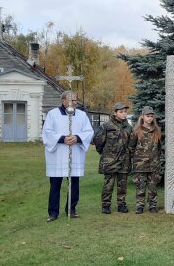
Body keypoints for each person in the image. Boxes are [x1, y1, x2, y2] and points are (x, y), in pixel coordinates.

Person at [43, 91, 94, 222]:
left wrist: (77, 138)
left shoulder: (82, 115)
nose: (75, 103)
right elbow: (47, 132)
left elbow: (89, 131)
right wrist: (61, 139)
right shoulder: (52, 114)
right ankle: (53, 212)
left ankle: (71, 209)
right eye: (72, 100)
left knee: (74, 184)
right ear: (64, 101)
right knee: (55, 185)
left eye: (76, 100)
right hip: (57, 155)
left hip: (75, 153)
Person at [94, 102, 133, 214]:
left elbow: (131, 143)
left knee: (122, 185)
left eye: (125, 112)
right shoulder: (107, 126)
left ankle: (121, 205)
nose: (124, 114)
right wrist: (105, 153)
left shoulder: (128, 127)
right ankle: (106, 205)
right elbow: (98, 141)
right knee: (108, 184)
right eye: (121, 112)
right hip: (110, 160)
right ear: (115, 113)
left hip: (124, 160)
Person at [129, 106, 163, 214]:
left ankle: (153, 205)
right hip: (140, 164)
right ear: (142, 117)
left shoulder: (157, 131)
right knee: (140, 186)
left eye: (151, 116)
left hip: (153, 164)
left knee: (152, 187)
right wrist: (135, 160)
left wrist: (157, 160)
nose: (150, 118)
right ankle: (140, 206)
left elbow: (159, 148)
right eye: (147, 116)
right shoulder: (137, 131)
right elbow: (131, 147)